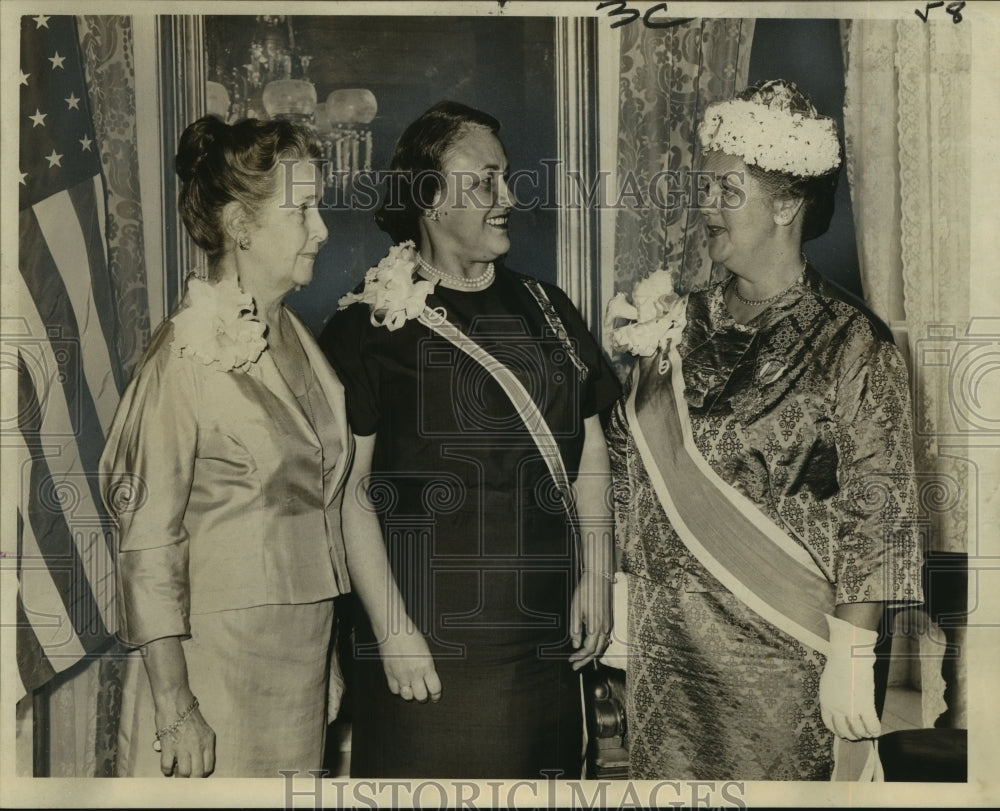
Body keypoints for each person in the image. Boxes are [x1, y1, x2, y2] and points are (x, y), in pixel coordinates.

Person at [605, 79, 923, 780]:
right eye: (705, 187)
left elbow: (879, 511)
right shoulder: (675, 321)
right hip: (669, 658)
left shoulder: (852, 342)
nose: (705, 207)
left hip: (784, 659)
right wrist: (623, 583)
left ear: (785, 203)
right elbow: (628, 460)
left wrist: (853, 652)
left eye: (726, 189)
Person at [320, 100, 621, 778]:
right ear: (429, 198)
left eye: (506, 178)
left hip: (546, 647)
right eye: (485, 180)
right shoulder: (364, 331)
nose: (508, 197)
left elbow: (590, 448)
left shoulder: (548, 307)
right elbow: (350, 496)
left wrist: (597, 570)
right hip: (431, 651)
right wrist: (393, 632)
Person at [100, 116, 352, 777]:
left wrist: (324, 663)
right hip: (212, 663)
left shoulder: (298, 337)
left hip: (298, 659)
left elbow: (316, 505)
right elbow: (147, 540)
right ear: (241, 224)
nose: (321, 229)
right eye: (302, 210)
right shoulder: (184, 352)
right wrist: (177, 702)